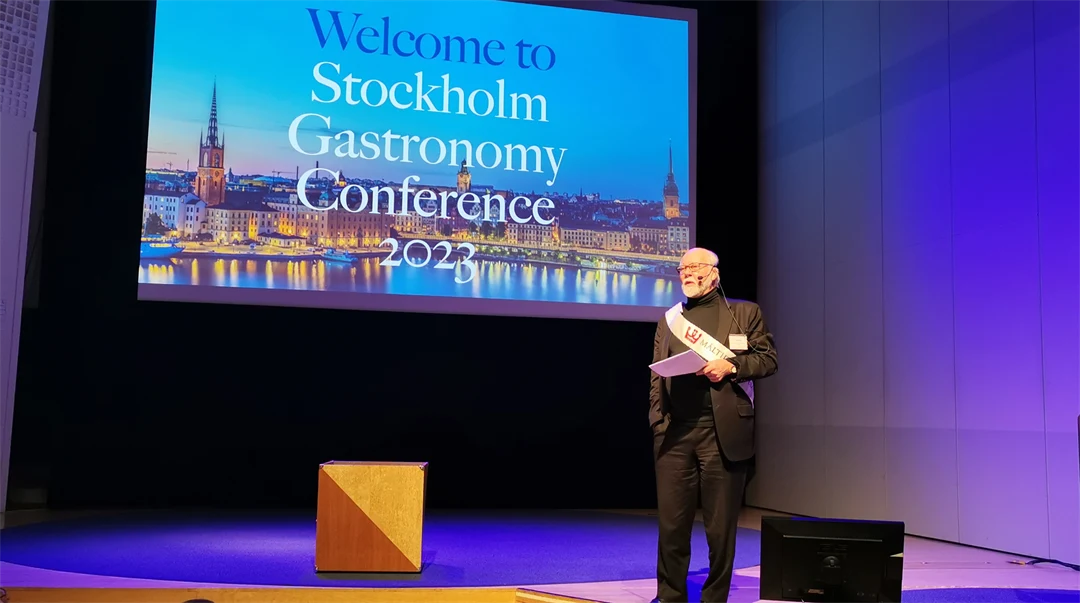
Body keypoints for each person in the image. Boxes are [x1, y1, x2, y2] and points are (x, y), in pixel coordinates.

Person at [649, 247, 778, 603]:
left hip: (724, 434)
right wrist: (658, 421)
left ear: (714, 273)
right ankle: (670, 595)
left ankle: (714, 597)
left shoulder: (744, 312)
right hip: (675, 433)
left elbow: (768, 359)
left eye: (695, 267)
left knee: (720, 529)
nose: (687, 273)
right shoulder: (670, 319)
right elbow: (656, 377)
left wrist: (731, 366)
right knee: (672, 526)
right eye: (682, 268)